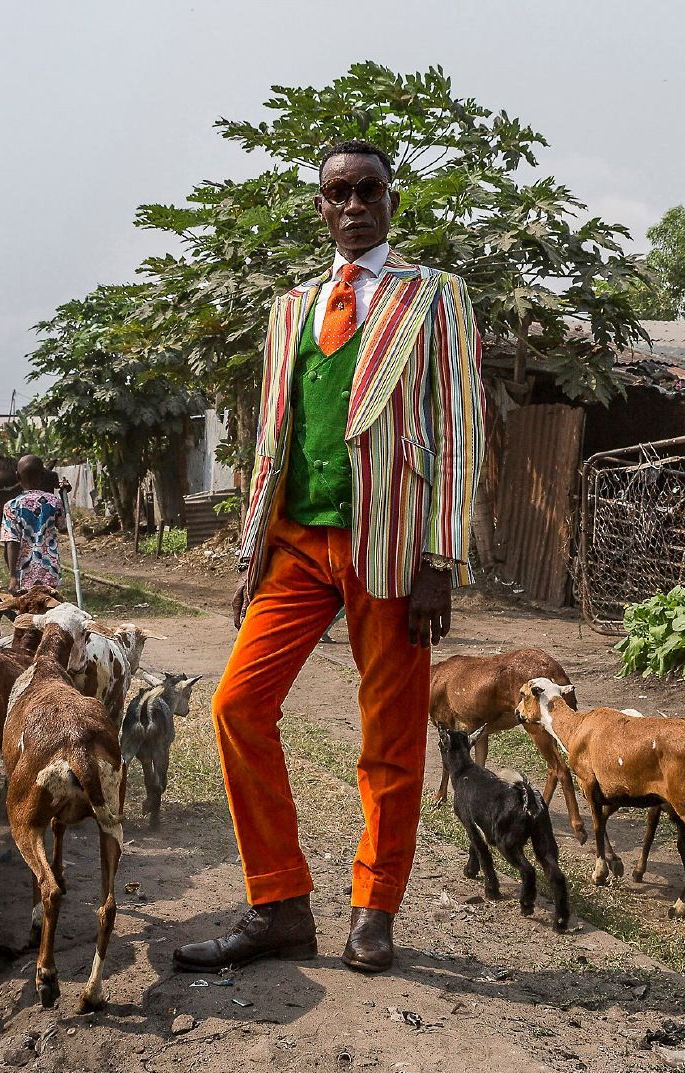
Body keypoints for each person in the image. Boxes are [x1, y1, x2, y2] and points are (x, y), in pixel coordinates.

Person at [173, 139, 485, 975]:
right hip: (297, 545)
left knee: (389, 734)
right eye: (337, 193)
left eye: (368, 191)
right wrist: (249, 555)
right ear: (320, 206)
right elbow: (274, 436)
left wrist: (439, 560)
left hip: (391, 547)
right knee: (237, 705)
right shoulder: (290, 310)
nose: (353, 206)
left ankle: (374, 909)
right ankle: (277, 903)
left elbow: (457, 436)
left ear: (393, 199)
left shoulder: (435, 299)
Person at [0, 454, 66, 593]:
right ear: (42, 475)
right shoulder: (54, 502)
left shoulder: (11, 506)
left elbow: (11, 541)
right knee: (49, 609)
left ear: (17, 477)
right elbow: (63, 527)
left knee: (27, 611)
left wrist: (12, 576)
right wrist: (63, 496)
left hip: (24, 573)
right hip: (50, 571)